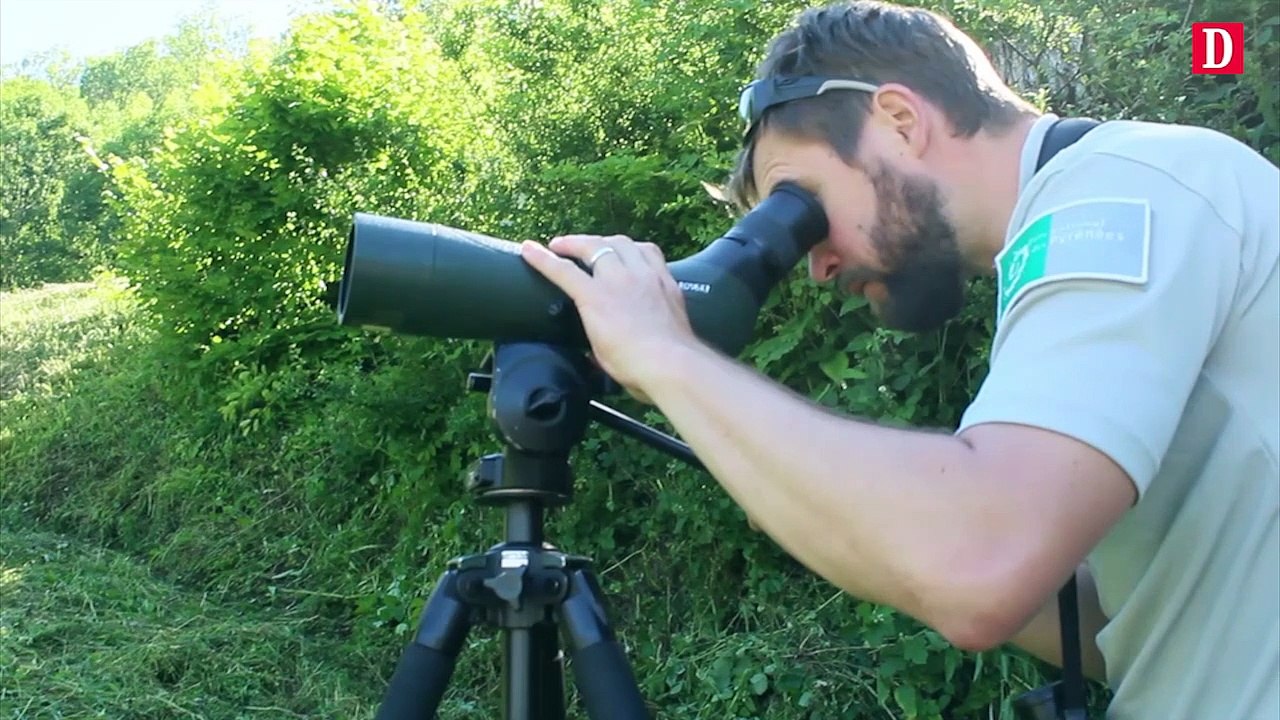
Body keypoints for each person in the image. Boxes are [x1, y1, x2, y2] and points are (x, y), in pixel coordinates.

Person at [518, 1, 1280, 717]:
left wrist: (665, 355)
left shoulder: (1128, 189)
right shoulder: (1112, 221)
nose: (813, 267)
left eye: (799, 203)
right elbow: (1123, 616)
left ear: (899, 118)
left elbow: (982, 564)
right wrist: (807, 487)